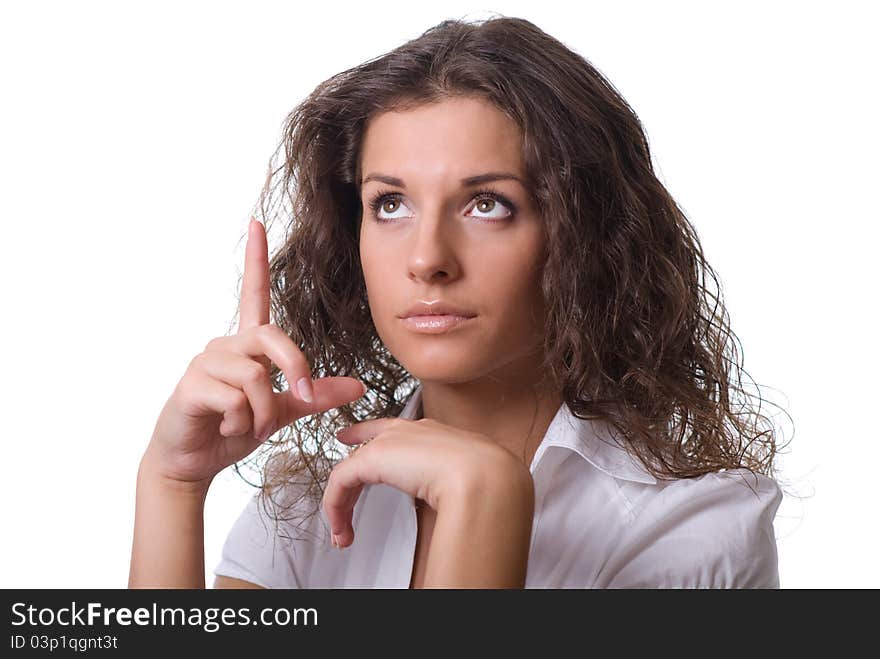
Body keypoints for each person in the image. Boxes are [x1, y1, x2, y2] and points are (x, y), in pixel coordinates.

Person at [129, 15, 789, 589]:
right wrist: (171, 484)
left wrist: (487, 500)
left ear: (581, 234)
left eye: (487, 205)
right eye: (390, 204)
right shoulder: (304, 509)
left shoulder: (697, 530)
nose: (426, 258)